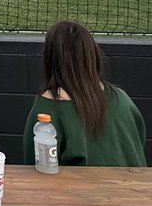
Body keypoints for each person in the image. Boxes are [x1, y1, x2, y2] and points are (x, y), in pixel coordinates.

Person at [22, 19, 146, 169]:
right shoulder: (121, 98)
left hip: (86, 191)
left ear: (51, 59)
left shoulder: (48, 105)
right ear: (92, 55)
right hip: (138, 190)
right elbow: (138, 143)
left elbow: (33, 166)